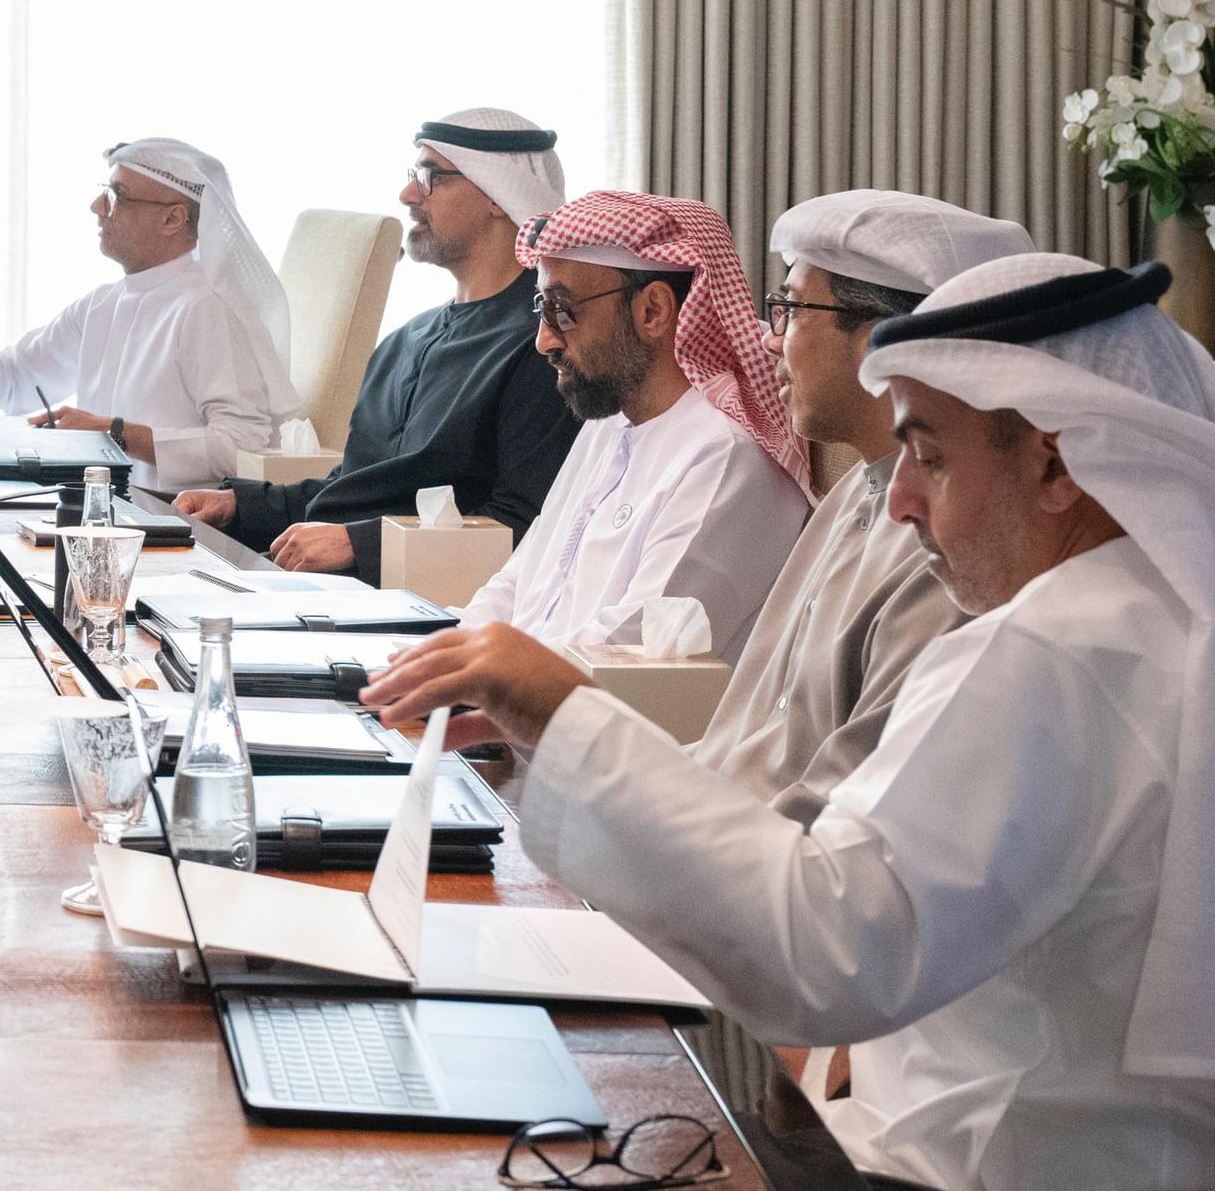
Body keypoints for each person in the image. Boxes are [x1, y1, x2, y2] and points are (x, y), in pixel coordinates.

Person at [361, 256, 1215, 1188]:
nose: (900, 500)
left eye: (930, 458)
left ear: (1053, 462)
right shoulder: (1147, 615)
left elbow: (829, 950)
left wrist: (565, 712)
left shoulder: (1054, 649)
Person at [695, 190, 1031, 823]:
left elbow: (830, 817)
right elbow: (741, 750)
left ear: (879, 342)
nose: (769, 341)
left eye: (790, 310)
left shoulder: (955, 544)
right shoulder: (855, 490)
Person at [174, 109, 579, 576]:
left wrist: (361, 545)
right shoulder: (406, 340)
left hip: (418, 605)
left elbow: (522, 525)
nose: (408, 194)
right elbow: (357, 488)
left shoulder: (544, 348)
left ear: (496, 195)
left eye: (430, 177)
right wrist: (240, 504)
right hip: (331, 588)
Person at [459, 190, 809, 662]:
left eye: (562, 310)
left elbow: (629, 654)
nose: (544, 341)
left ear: (652, 311)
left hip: (589, 704)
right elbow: (518, 581)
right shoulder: (607, 425)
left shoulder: (726, 457)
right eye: (542, 309)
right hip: (515, 692)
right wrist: (445, 657)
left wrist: (479, 676)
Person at [0, 138, 297, 491]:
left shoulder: (209, 308)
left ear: (172, 219)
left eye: (117, 196)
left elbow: (242, 447)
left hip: (174, 522)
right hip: (98, 513)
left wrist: (115, 433)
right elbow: (15, 380)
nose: (97, 206)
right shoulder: (101, 304)